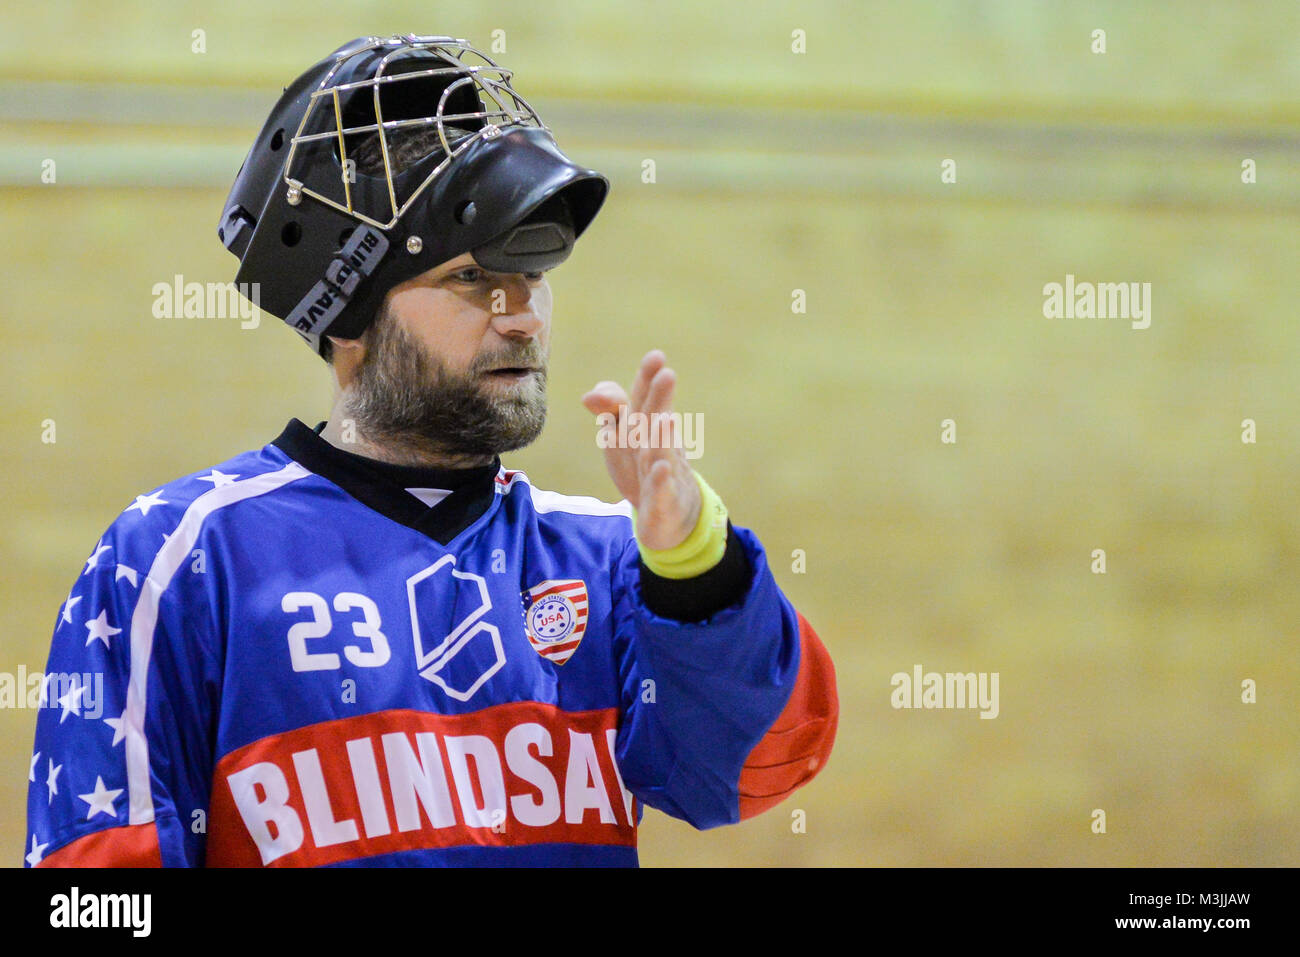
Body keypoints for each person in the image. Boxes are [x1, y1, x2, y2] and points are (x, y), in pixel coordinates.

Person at [25, 34, 837, 868]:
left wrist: (695, 562)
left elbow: (750, 770)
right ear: (347, 314)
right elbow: (93, 885)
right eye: (471, 280)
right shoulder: (181, 555)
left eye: (533, 276)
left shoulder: (608, 560)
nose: (521, 315)